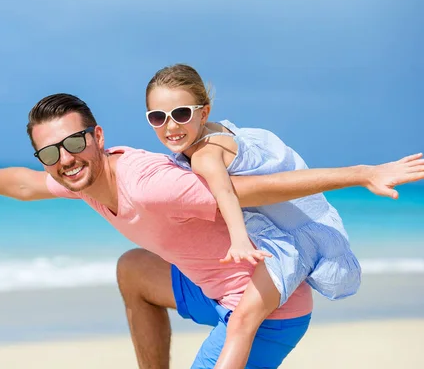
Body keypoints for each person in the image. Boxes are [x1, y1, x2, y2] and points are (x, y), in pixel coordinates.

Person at [0, 93, 424, 369]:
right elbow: (27, 184)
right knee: (134, 271)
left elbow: (253, 189)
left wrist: (362, 173)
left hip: (267, 310)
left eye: (73, 143)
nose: (64, 160)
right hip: (211, 289)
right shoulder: (80, 179)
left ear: (98, 137)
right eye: (50, 152)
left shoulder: (153, 186)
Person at [144, 63, 361, 367]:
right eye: (157, 117)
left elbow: (226, 193)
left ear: (203, 113)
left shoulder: (205, 155)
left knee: (242, 322)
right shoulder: (222, 131)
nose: (170, 127)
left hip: (281, 247)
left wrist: (238, 241)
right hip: (293, 234)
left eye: (181, 114)